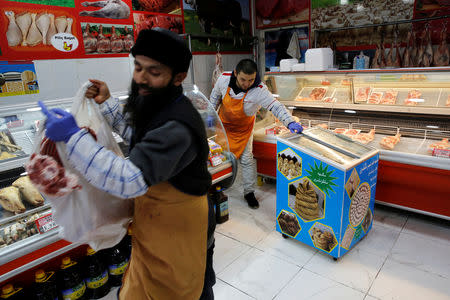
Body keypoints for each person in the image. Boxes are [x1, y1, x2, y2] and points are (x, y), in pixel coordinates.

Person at [38, 28, 215, 300]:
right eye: (138, 67)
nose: (141, 79)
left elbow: (128, 179)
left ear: (179, 77)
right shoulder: (158, 102)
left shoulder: (178, 125)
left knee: (173, 290)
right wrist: (107, 104)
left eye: (154, 72)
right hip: (155, 220)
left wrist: (74, 137)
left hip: (178, 225)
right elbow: (140, 137)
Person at [210, 59, 303, 209]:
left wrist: (290, 122)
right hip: (223, 126)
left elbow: (276, 106)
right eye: (243, 79)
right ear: (235, 73)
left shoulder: (259, 89)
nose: (247, 83)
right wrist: (210, 116)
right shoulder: (224, 79)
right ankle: (217, 186)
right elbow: (214, 97)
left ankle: (249, 193)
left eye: (251, 80)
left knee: (247, 160)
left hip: (244, 130)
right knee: (220, 157)